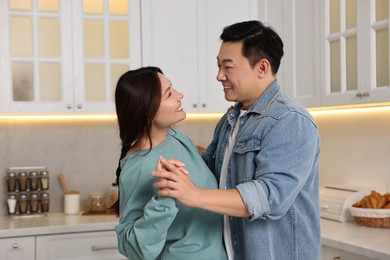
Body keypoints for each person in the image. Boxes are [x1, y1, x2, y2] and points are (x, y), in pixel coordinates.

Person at [153, 20, 321, 260]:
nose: (219, 76)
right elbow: (210, 171)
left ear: (262, 68)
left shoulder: (290, 121)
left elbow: (269, 197)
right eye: (218, 66)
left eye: (228, 67)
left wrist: (194, 195)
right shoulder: (232, 118)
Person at [113, 67, 227, 260]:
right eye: (169, 94)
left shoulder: (175, 136)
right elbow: (131, 247)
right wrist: (164, 198)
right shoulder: (138, 167)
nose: (179, 95)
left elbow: (200, 170)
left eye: (172, 88)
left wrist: (227, 126)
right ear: (147, 111)